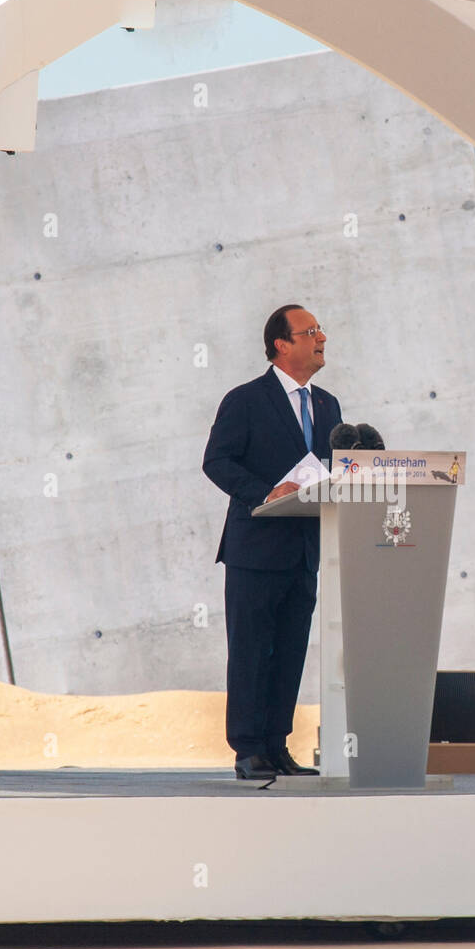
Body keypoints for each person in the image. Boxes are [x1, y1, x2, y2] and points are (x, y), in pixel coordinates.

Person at [203, 305, 342, 779]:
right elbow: (217, 461)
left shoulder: (328, 405)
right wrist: (265, 492)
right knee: (251, 651)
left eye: (320, 330)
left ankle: (277, 746)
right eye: (311, 331)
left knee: (289, 651)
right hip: (255, 549)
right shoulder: (245, 400)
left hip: (305, 549)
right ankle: (247, 749)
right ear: (282, 345)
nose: (321, 337)